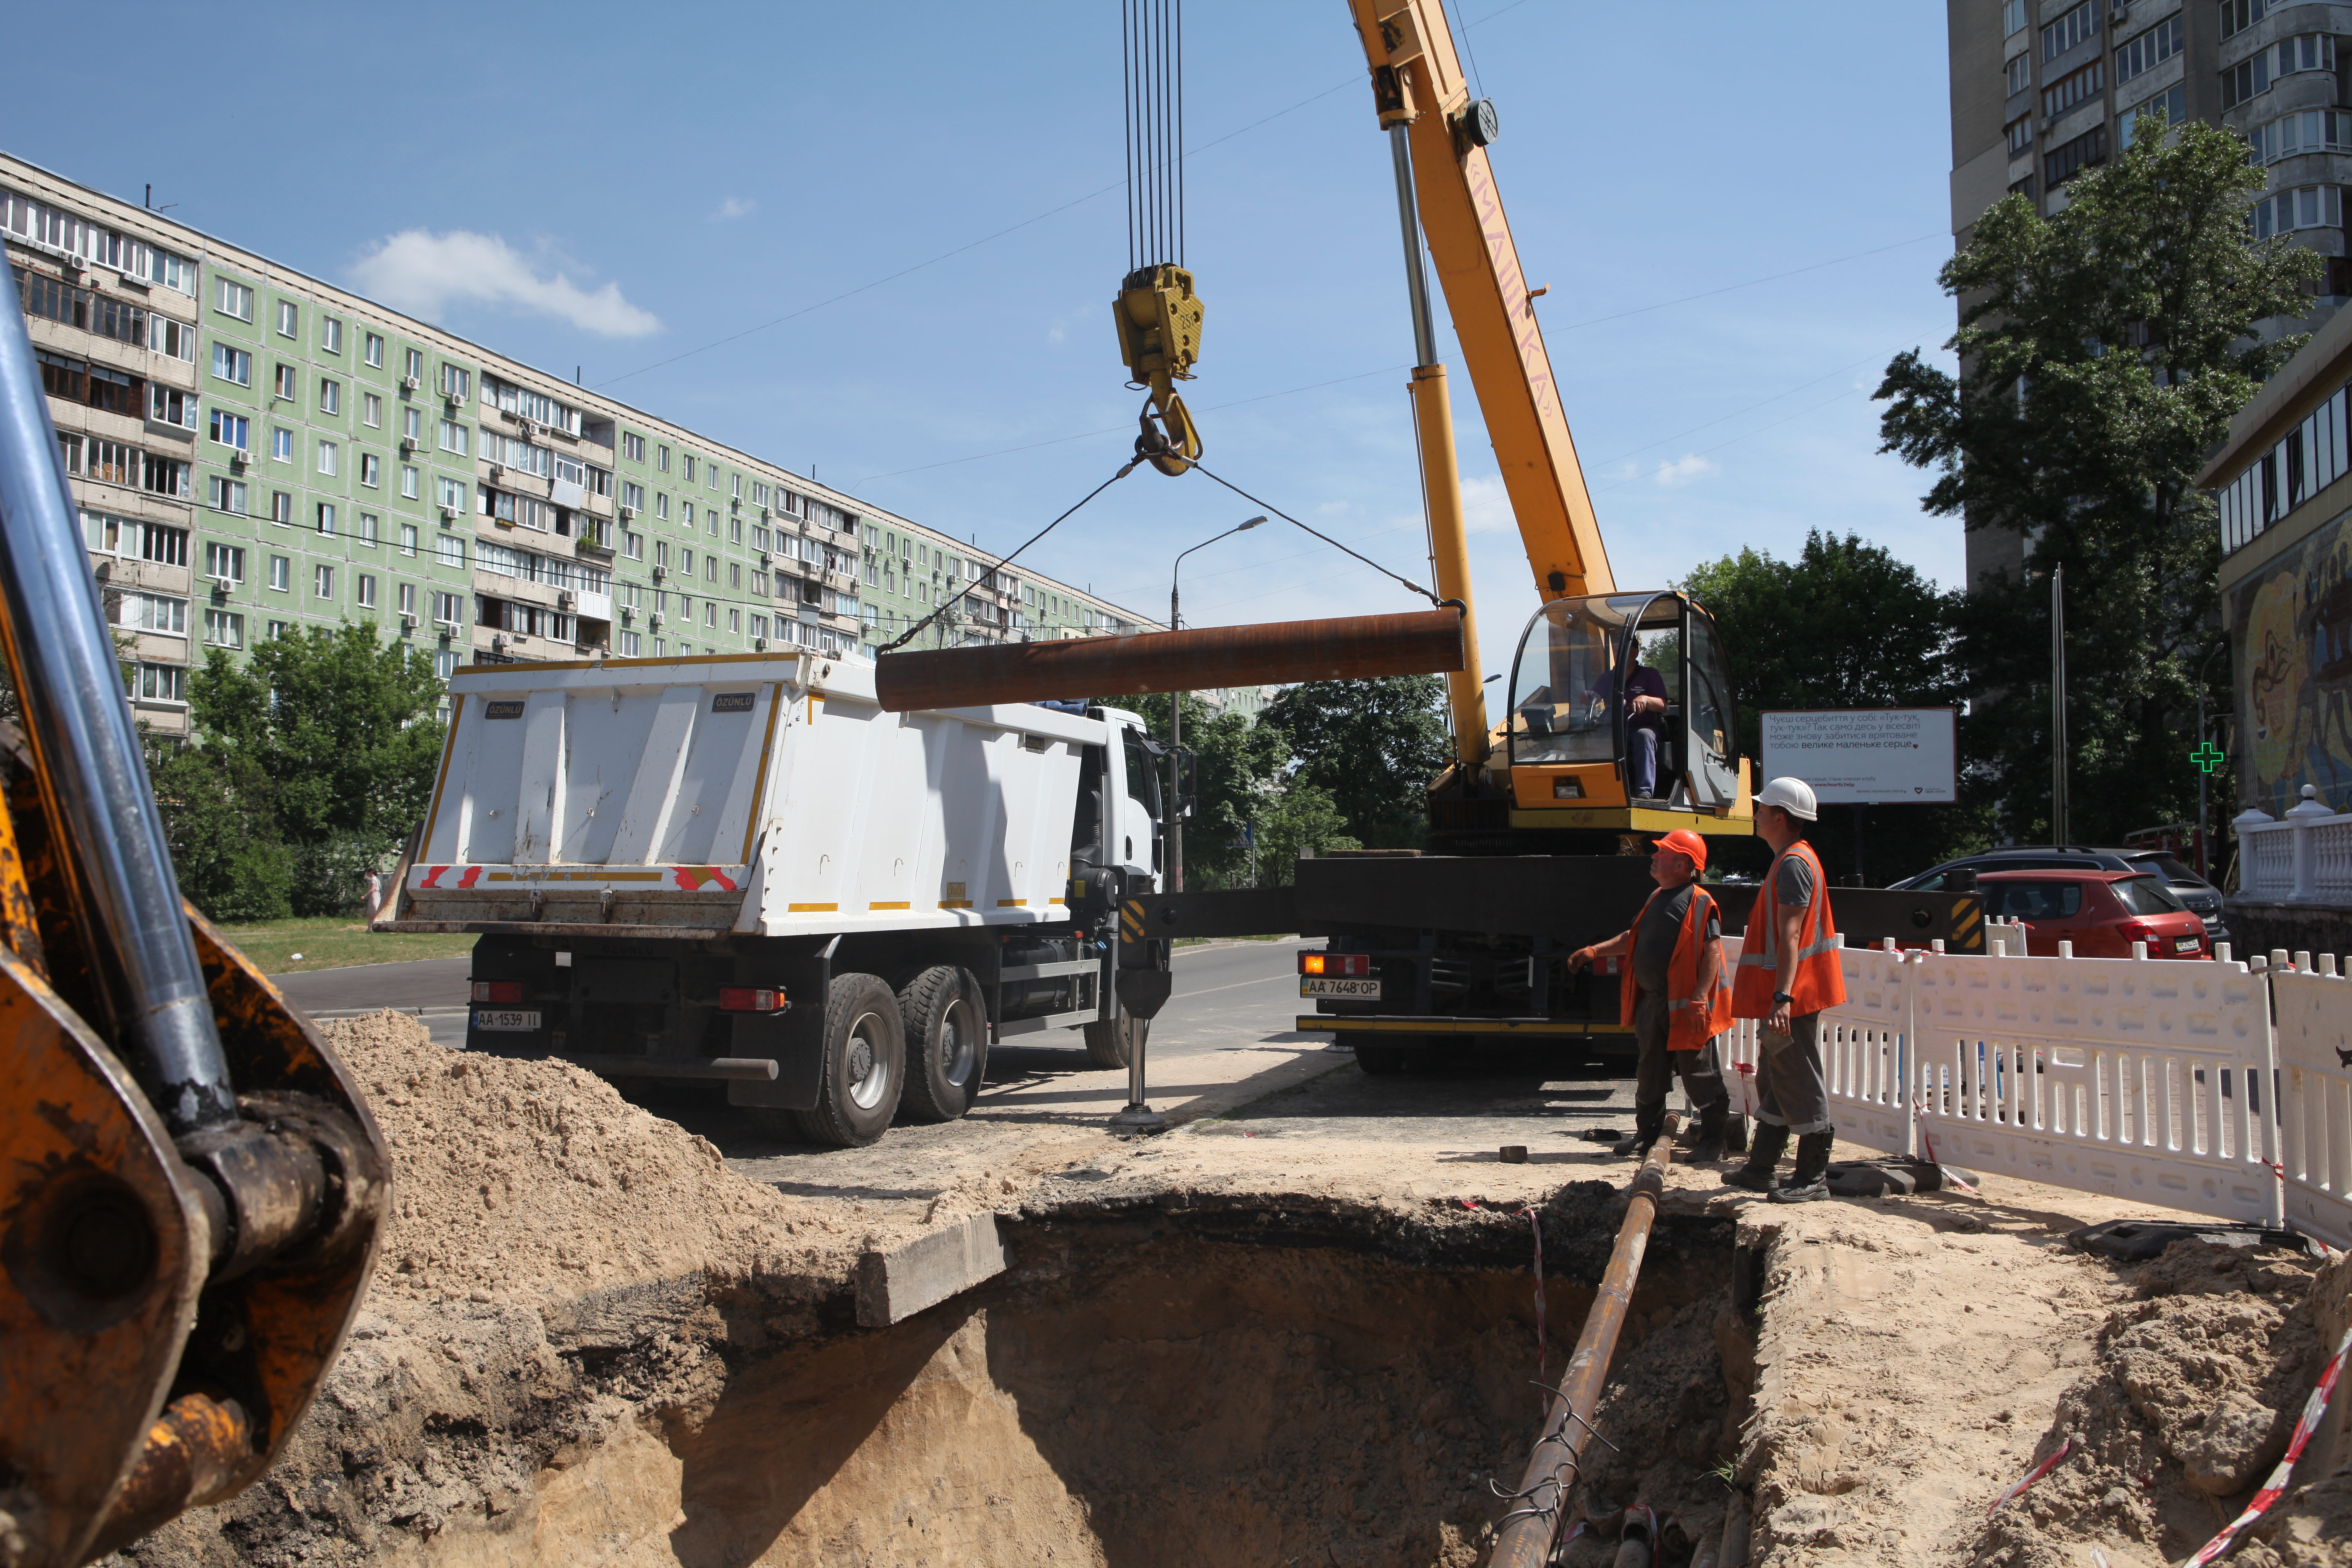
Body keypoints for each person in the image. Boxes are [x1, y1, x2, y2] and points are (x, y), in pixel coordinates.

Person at [1566, 828, 1732, 1162]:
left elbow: (1712, 952)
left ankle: (1715, 1141)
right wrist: (1594, 950)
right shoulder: (1657, 897)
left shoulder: (1700, 901)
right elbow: (1633, 937)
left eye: (1664, 853)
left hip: (1686, 1007)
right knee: (1650, 1072)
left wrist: (1700, 1000)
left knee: (1699, 1074)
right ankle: (1647, 1136)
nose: (1655, 856)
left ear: (1684, 863)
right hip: (1655, 1003)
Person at [1724, 776, 1846, 1202]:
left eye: (1761, 808)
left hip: (1793, 997)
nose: (1755, 814)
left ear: (1779, 817)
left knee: (1799, 1078)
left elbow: (1791, 935)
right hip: (1791, 994)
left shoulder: (1794, 863)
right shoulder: (1791, 860)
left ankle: (1813, 1178)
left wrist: (1783, 997)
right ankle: (1761, 1168)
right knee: (1776, 1078)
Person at [1624, 658, 1669, 799]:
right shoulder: (1609, 677)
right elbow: (1594, 694)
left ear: (1635, 652)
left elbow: (1662, 705)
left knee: (1644, 736)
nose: (1619, 651)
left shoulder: (1650, 674)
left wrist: (1646, 699)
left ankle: (1644, 791)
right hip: (1615, 728)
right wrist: (1588, 695)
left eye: (1622, 648)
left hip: (1644, 727)